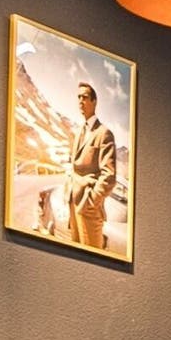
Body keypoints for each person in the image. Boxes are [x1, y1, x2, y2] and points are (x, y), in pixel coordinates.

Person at [51, 78, 120, 250]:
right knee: (75, 258)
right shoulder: (78, 132)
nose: (81, 101)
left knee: (92, 259)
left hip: (89, 210)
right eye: (79, 97)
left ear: (94, 101)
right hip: (73, 207)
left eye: (85, 97)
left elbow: (109, 176)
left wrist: (91, 202)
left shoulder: (104, 134)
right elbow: (75, 168)